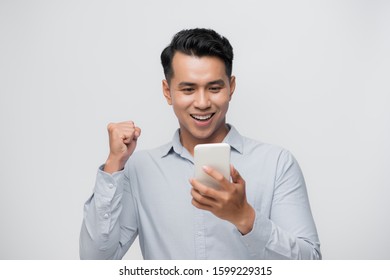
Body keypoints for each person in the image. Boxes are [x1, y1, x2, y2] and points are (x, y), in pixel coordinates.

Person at [79, 28, 321, 260]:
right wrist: (113, 165)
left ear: (231, 87)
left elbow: (309, 263)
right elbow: (96, 261)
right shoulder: (138, 169)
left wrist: (246, 218)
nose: (203, 102)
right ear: (167, 91)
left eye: (214, 88)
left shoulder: (277, 163)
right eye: (188, 89)